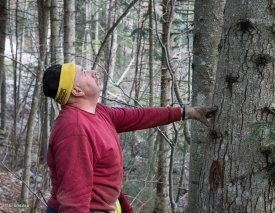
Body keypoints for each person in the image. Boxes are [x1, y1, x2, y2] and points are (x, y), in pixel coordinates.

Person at [42, 63, 216, 213]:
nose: (93, 72)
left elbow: (138, 116)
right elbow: (73, 197)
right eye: (84, 73)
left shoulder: (98, 112)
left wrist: (186, 112)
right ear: (77, 91)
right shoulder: (74, 129)